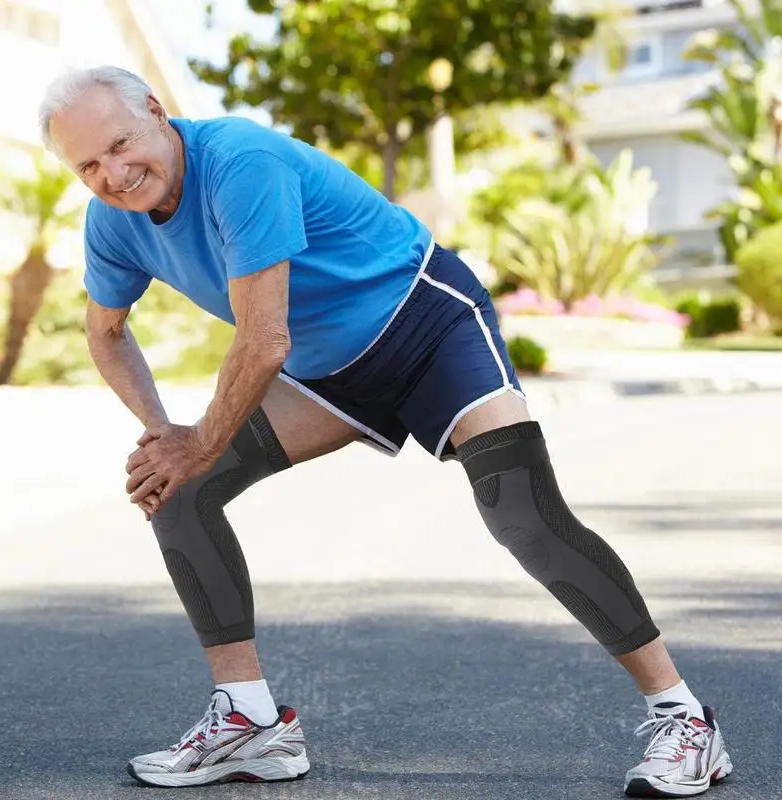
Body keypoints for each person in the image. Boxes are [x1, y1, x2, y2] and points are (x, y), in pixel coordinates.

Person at [38, 65, 732, 797]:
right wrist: (164, 435)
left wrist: (199, 439)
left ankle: (685, 720)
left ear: (155, 109)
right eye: (88, 164)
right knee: (177, 489)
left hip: (428, 325)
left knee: (520, 511)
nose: (113, 173)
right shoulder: (111, 223)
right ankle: (250, 723)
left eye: (120, 144)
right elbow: (107, 334)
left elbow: (263, 339)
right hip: (331, 373)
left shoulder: (240, 163)